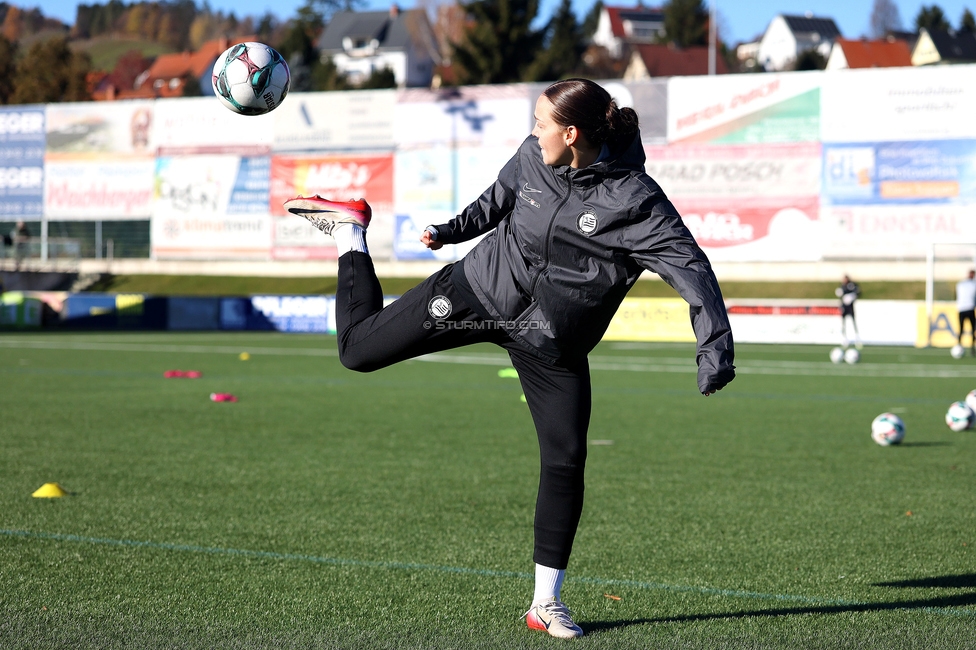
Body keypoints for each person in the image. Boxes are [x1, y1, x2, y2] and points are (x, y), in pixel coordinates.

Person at [283, 78, 735, 639]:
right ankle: (350, 232)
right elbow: (498, 200)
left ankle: (546, 603)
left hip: (550, 342)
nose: (533, 133)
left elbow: (693, 271)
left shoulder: (636, 202)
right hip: (478, 292)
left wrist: (714, 350)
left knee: (566, 459)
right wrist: (451, 231)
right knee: (356, 351)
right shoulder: (533, 155)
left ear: (572, 134)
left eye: (542, 124)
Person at [835, 274, 860, 349]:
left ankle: (857, 338)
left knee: (853, 321)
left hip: (850, 306)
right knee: (843, 322)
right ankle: (844, 338)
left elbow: (857, 292)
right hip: (844, 306)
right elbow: (840, 293)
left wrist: (851, 296)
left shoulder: (852, 285)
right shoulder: (842, 285)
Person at [956, 269, 976, 356]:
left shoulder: (961, 284)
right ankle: (959, 346)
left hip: (966, 309)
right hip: (966, 308)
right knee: (962, 329)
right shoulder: (971, 284)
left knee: (972, 329)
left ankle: (971, 346)